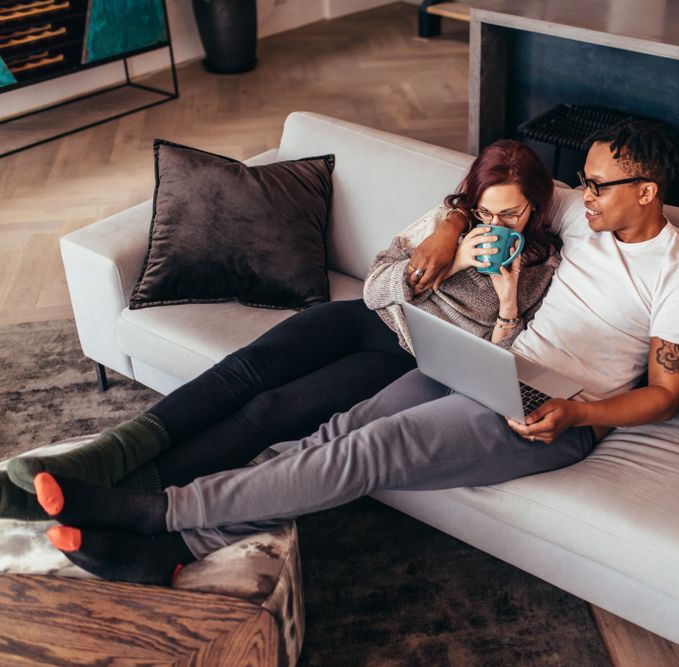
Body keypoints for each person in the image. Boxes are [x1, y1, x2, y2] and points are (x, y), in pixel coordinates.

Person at [33, 120, 679, 587]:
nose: (584, 193)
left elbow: (665, 394)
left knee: (368, 453)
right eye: (585, 181)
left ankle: (156, 513)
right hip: (495, 366)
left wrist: (576, 410)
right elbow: (494, 195)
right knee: (338, 432)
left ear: (647, 192)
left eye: (598, 185)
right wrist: (450, 235)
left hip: (555, 417)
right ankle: (174, 552)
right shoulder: (586, 220)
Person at [0, 139, 560, 521]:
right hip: (367, 317)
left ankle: (128, 495)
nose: (496, 226)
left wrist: (507, 298)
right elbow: (373, 286)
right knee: (239, 371)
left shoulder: (542, 267)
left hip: (405, 358)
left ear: (534, 209)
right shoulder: (447, 218)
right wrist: (453, 256)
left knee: (269, 413)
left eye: (510, 216)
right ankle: (106, 456)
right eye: (487, 212)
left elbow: (495, 359)